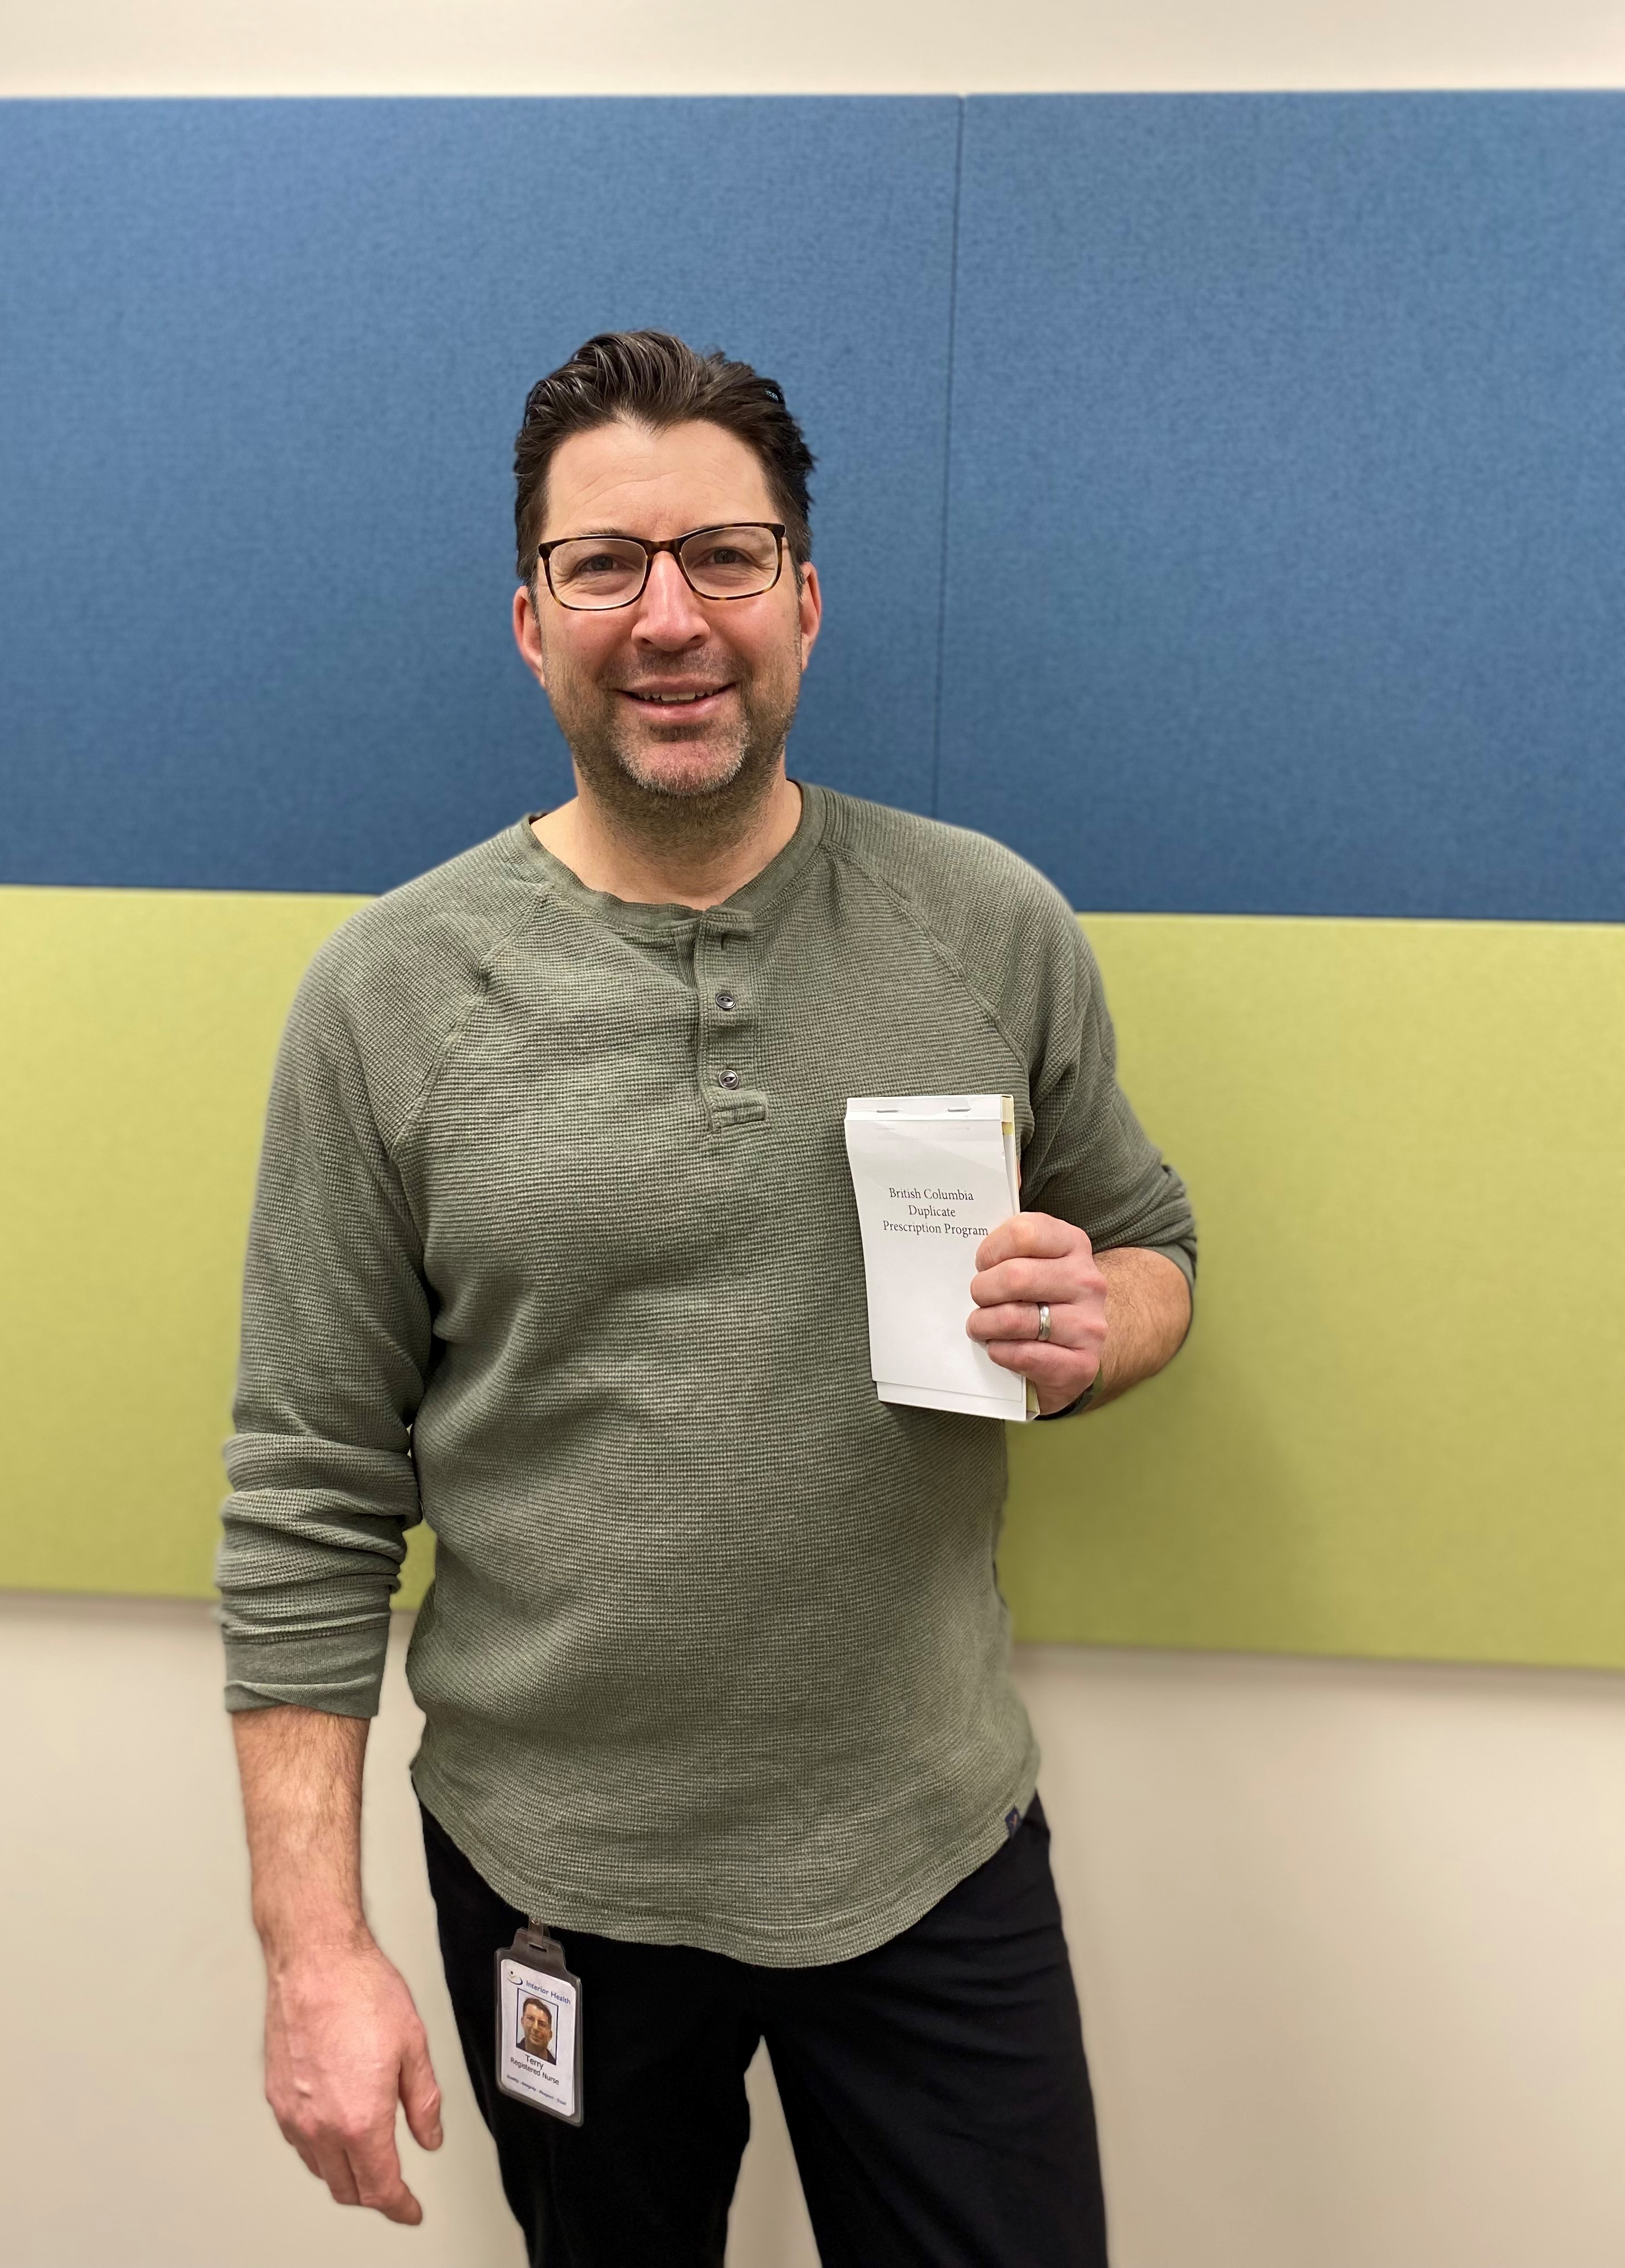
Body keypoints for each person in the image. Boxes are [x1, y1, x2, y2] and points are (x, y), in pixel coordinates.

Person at [219, 329, 1196, 2268]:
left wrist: (1101, 1330)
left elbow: (1148, 1241)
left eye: (725, 558)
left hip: (927, 1849)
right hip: (551, 1887)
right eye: (605, 566)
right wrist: (312, 1948)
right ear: (530, 619)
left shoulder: (988, 925)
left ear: (805, 602)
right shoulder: (384, 1000)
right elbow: (308, 1495)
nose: (670, 618)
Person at [518, 1999, 556, 2064]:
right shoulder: (510, 2052)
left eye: (542, 2024)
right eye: (531, 2019)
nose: (535, 2028)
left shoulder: (557, 2068)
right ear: (523, 2021)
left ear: (550, 2035)